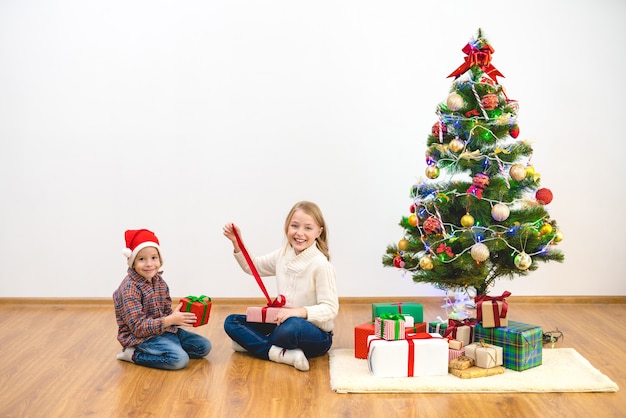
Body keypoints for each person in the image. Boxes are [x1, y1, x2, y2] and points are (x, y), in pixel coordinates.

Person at [222, 201, 339, 372]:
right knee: (231, 321)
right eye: (295, 226)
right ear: (287, 227)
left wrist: (297, 312)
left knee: (291, 328)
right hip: (280, 321)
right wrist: (236, 242)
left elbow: (330, 308)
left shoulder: (320, 265)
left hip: (313, 333)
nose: (300, 233)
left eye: (308, 228)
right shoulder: (282, 254)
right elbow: (253, 267)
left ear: (318, 232)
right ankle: (280, 353)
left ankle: (252, 343)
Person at [113, 229, 212, 370]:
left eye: (154, 258)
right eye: (142, 259)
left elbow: (166, 312)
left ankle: (169, 347)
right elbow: (137, 327)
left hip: (164, 329)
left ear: (160, 259)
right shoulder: (130, 289)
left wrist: (178, 317)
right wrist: (170, 320)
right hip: (140, 337)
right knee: (179, 360)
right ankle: (133, 354)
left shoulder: (159, 281)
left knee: (204, 347)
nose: (149, 264)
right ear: (132, 262)